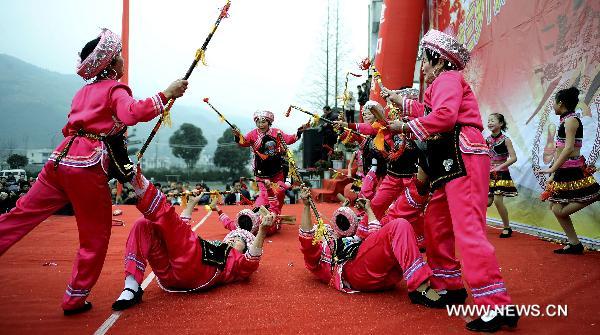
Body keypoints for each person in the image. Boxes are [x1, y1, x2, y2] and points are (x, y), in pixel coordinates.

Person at [0, 29, 188, 315]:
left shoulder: (81, 92)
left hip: (58, 159)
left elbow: (74, 126)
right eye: (120, 55)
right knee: (94, 237)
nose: (123, 59)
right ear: (112, 64)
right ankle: (74, 299)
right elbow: (132, 114)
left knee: (20, 215)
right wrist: (167, 94)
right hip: (85, 167)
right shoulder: (116, 89)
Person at [383, 29, 518, 332]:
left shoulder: (447, 79)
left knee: (467, 228)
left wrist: (406, 127)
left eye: (426, 61)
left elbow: (443, 116)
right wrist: (402, 108)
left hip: (462, 154)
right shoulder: (445, 82)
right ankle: (449, 284)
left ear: (440, 61)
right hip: (450, 157)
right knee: (437, 222)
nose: (424, 68)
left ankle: (496, 304)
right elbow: (432, 111)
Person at [111, 173, 273, 311]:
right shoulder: (217, 243)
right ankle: (131, 286)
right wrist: (191, 204)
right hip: (169, 275)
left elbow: (252, 262)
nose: (233, 238)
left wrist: (262, 232)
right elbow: (180, 235)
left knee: (179, 232)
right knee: (143, 224)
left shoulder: (237, 262)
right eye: (233, 236)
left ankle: (137, 180)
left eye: (239, 240)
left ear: (245, 250)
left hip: (199, 273)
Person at [297, 188, 447, 308]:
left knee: (396, 225)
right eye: (320, 231)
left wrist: (368, 209)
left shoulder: (349, 240)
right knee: (399, 225)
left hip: (385, 276)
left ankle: (437, 277)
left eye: (327, 230)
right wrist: (306, 207)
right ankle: (419, 287)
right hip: (355, 274)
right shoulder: (318, 256)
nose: (325, 230)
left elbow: (375, 238)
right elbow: (307, 239)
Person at [538, 87, 600, 254]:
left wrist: (552, 168)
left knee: (558, 208)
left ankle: (596, 194)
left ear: (561, 103)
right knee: (556, 208)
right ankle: (575, 244)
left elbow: (568, 148)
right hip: (563, 171)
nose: (553, 106)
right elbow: (560, 149)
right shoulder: (565, 120)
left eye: (554, 103)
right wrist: (553, 175)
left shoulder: (571, 120)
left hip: (571, 170)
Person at [232, 111, 301, 209]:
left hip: (277, 169)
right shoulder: (252, 134)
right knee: (265, 194)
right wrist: (237, 136)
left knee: (279, 193)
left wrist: (299, 132)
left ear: (269, 122)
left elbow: (288, 139)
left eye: (263, 122)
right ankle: (259, 211)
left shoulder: (276, 132)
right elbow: (243, 142)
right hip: (261, 170)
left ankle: (275, 212)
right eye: (258, 122)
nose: (261, 125)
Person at [486, 113, 518, 238]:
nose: (489, 123)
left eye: (492, 120)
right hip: (489, 174)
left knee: (498, 200)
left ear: (501, 124)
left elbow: (514, 158)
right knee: (487, 202)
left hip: (501, 173)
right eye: (488, 121)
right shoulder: (487, 140)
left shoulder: (506, 139)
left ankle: (507, 227)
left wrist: (499, 166)